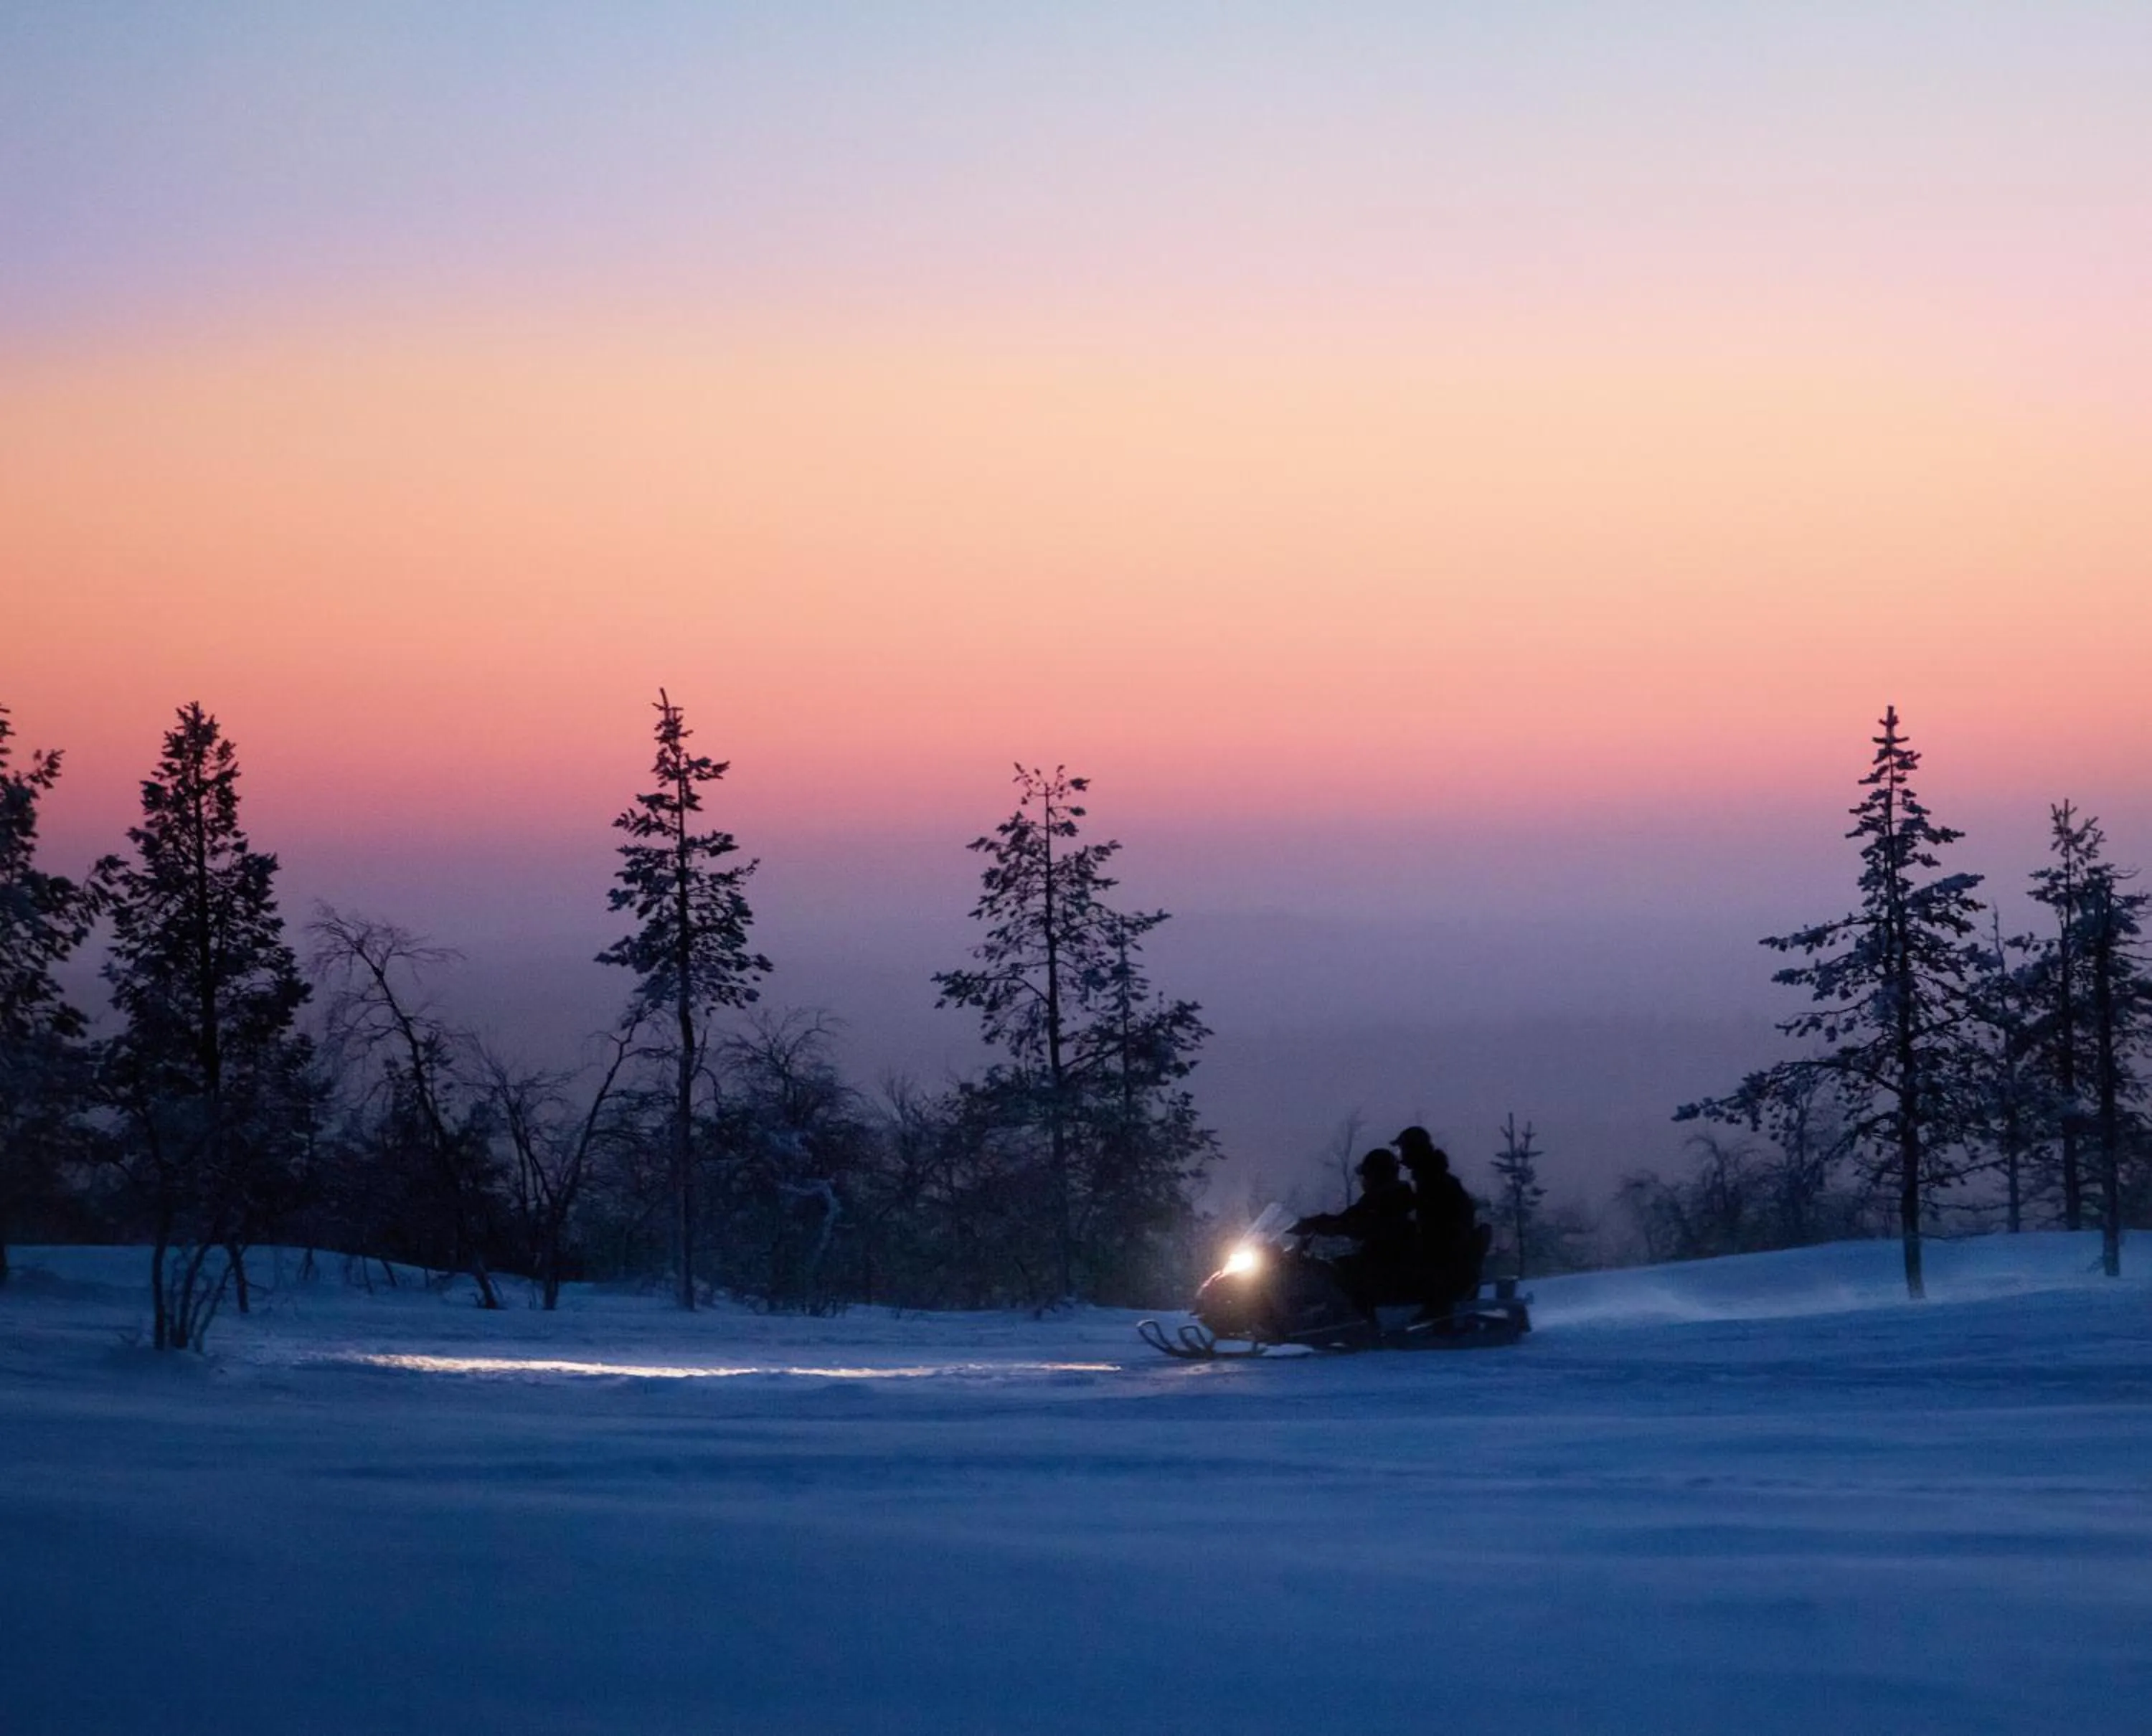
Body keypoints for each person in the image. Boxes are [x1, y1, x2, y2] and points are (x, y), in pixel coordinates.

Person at [1291, 1148, 1420, 1312]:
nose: (1363, 1180)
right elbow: (1349, 1219)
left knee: (1332, 1275)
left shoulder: (1388, 1198)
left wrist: (1318, 1225)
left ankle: (1348, 1323)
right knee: (1331, 1268)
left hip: (1388, 1264)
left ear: (1376, 1175)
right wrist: (1312, 1223)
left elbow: (1353, 1222)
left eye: (1366, 1175)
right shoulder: (1392, 1195)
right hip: (1385, 1259)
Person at [1394, 1126, 1486, 1311]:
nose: (1402, 1158)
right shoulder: (1429, 1181)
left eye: (1404, 1150)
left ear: (1415, 1151)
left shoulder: (1435, 1184)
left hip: (1446, 1268)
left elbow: (1440, 1233)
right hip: (1447, 1263)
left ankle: (1434, 1312)